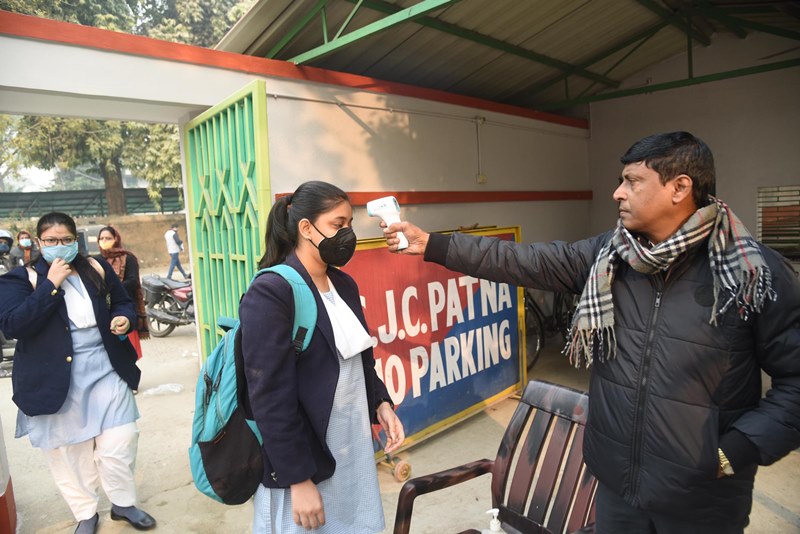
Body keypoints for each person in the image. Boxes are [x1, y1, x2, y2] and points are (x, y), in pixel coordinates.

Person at [381, 132, 800, 534]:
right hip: (618, 486)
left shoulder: (753, 274)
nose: (618, 192)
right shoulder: (610, 255)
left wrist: (733, 453)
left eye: (632, 181)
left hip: (704, 498)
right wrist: (433, 245)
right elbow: (527, 261)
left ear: (680, 187)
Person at [239, 180, 405, 533]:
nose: (348, 234)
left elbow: (360, 360)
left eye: (349, 225)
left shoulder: (344, 284)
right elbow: (269, 396)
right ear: (305, 228)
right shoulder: (271, 292)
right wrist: (297, 479)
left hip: (352, 451)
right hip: (306, 459)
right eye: (338, 225)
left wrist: (381, 404)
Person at [0, 212, 157, 534]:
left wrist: (124, 319)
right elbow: (14, 325)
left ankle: (122, 503)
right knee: (71, 453)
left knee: (121, 440)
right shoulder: (19, 278)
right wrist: (51, 284)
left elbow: (123, 302)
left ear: (76, 240)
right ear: (39, 242)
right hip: (54, 376)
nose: (60, 246)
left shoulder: (95, 268)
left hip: (104, 367)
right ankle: (85, 512)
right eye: (51, 241)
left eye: (67, 240)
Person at [97, 226, 150, 360]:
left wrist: (112, 288)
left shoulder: (128, 258)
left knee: (127, 350)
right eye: (101, 238)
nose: (104, 241)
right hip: (103, 310)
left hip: (123, 308)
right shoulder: (95, 260)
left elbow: (133, 281)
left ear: (116, 239)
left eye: (108, 238)